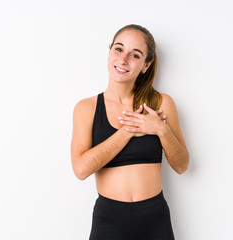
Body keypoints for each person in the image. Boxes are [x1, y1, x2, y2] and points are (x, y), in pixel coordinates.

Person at [71, 24, 189, 240]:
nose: (123, 59)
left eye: (135, 55)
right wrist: (127, 131)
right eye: (118, 49)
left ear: (146, 65)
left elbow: (182, 166)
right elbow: (80, 170)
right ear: (109, 53)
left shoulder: (161, 103)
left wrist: (161, 129)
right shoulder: (86, 108)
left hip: (155, 219)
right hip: (109, 220)